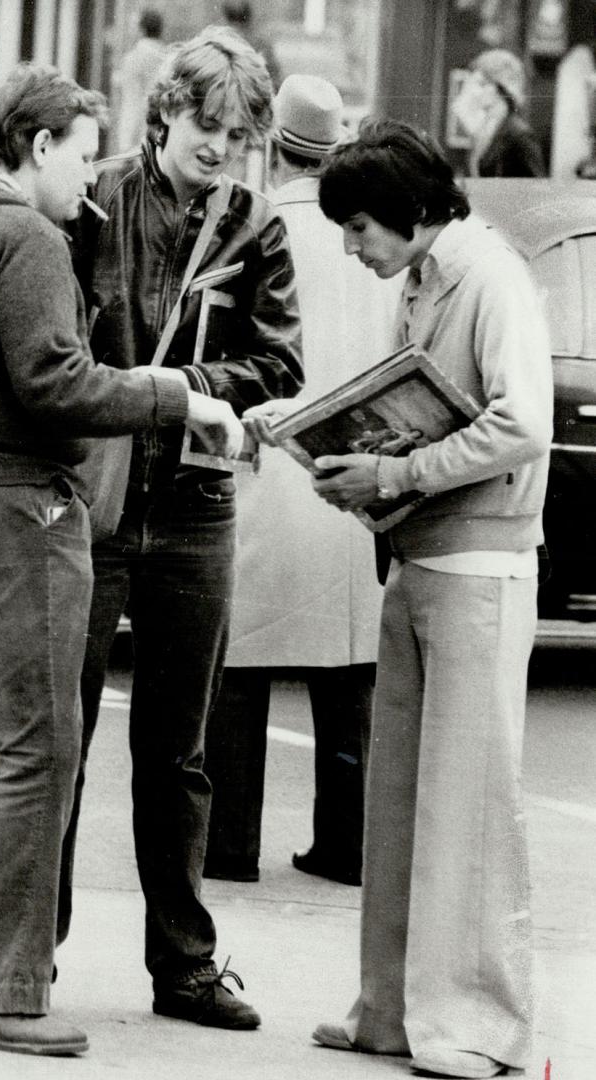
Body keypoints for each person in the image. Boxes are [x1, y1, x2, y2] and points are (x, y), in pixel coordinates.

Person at [0, 63, 244, 1057]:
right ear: (36, 147)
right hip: (1, 520)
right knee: (36, 753)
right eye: (81, 153)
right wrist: (177, 396)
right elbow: (54, 381)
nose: (90, 178)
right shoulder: (25, 235)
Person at [279, 117, 550, 1080]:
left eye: (358, 228)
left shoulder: (489, 276)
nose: (352, 250)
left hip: (478, 568)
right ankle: (392, 1011)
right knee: (400, 803)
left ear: (405, 212)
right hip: (424, 562)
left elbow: (523, 422)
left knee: (468, 809)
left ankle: (478, 1026)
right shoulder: (433, 277)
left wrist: (394, 477)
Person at [64, 25, 302, 1030]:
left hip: (196, 506)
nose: (217, 147)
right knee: (52, 740)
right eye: (205, 124)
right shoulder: (93, 201)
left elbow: (280, 365)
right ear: (166, 111)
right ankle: (23, 948)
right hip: (95, 499)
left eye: (238, 133)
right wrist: (166, 393)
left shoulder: (254, 226)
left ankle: (184, 963)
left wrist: (177, 388)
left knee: (179, 749)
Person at [202, 74, 396, 888]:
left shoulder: (256, 227)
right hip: (352, 469)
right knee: (349, 667)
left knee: (241, 665)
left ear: (272, 144)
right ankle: (345, 845)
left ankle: (230, 844)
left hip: (268, 464)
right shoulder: (372, 236)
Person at [451, 47, 546, 177]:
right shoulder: (488, 129)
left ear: (501, 88)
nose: (474, 92)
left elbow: (535, 188)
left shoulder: (520, 136)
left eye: (482, 84)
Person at [110, 8, 169, 155]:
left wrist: (125, 143)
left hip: (137, 135)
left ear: (141, 29)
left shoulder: (134, 58)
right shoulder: (167, 57)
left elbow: (131, 102)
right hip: (162, 133)